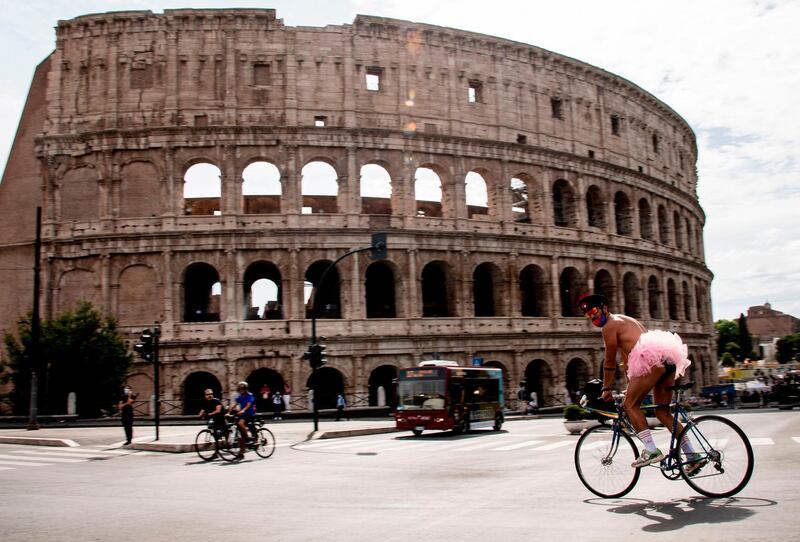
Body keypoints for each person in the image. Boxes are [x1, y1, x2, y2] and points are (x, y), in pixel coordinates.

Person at [579, 293, 704, 474]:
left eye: (594, 311)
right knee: (663, 412)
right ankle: (692, 456)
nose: (593, 317)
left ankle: (651, 450)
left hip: (651, 362)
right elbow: (629, 362)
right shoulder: (626, 320)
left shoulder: (609, 327)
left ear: (604, 307)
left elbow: (609, 363)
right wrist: (631, 386)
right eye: (588, 315)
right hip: (666, 359)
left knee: (630, 405)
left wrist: (606, 388)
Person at [229, 381, 256, 458]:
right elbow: (235, 404)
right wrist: (229, 411)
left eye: (243, 389)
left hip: (249, 414)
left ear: (246, 389)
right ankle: (241, 453)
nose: (241, 391)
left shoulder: (250, 395)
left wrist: (243, 410)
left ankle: (248, 438)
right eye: (240, 389)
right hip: (243, 414)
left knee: (240, 423)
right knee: (240, 436)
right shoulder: (241, 396)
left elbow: (249, 404)